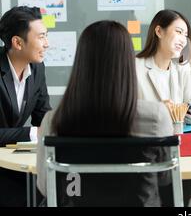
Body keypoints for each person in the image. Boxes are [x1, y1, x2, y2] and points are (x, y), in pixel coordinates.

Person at [36, 20, 173, 206]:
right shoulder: (156, 115)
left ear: (81, 64)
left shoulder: (53, 121)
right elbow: (165, 177)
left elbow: (47, 187)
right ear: (127, 63)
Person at [0, 6, 51, 206]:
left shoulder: (37, 69)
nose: (47, 44)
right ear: (17, 42)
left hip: (12, 162)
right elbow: (38, 129)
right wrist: (33, 133)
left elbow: (44, 116)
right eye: (41, 37)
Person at [136, 9, 191, 125]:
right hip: (145, 139)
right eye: (179, 32)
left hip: (178, 139)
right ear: (159, 31)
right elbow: (124, 111)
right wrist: (158, 110)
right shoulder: (134, 68)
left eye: (185, 35)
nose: (183, 40)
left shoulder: (183, 69)